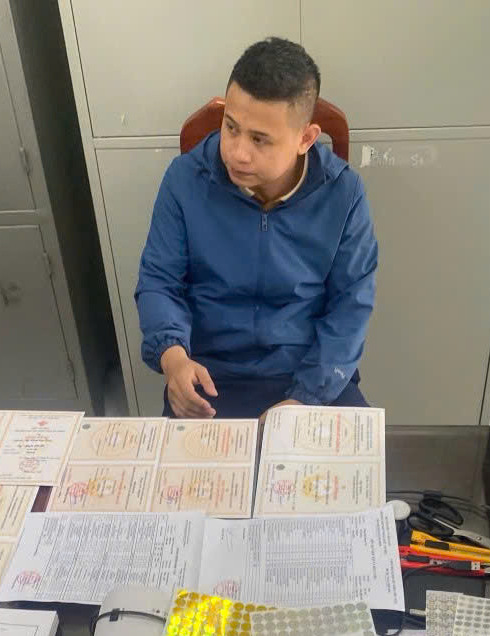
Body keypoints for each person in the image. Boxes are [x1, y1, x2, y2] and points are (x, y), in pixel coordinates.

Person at [135, 37, 378, 419]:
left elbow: (351, 304)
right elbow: (159, 281)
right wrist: (173, 358)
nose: (237, 152)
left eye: (260, 140)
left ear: (305, 139)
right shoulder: (185, 179)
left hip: (309, 373)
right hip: (211, 375)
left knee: (361, 457)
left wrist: (306, 397)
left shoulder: (343, 192)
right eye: (231, 127)